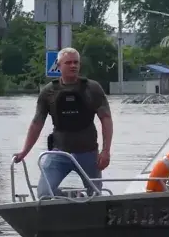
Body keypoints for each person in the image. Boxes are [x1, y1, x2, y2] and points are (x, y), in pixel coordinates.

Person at [13, 47, 113, 197]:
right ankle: (74, 196)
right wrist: (24, 152)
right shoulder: (48, 92)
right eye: (68, 63)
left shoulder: (92, 88)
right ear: (59, 66)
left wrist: (106, 151)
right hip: (59, 153)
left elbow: (106, 119)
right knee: (44, 194)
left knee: (95, 195)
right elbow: (37, 123)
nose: (73, 66)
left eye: (76, 62)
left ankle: (88, 207)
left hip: (88, 153)